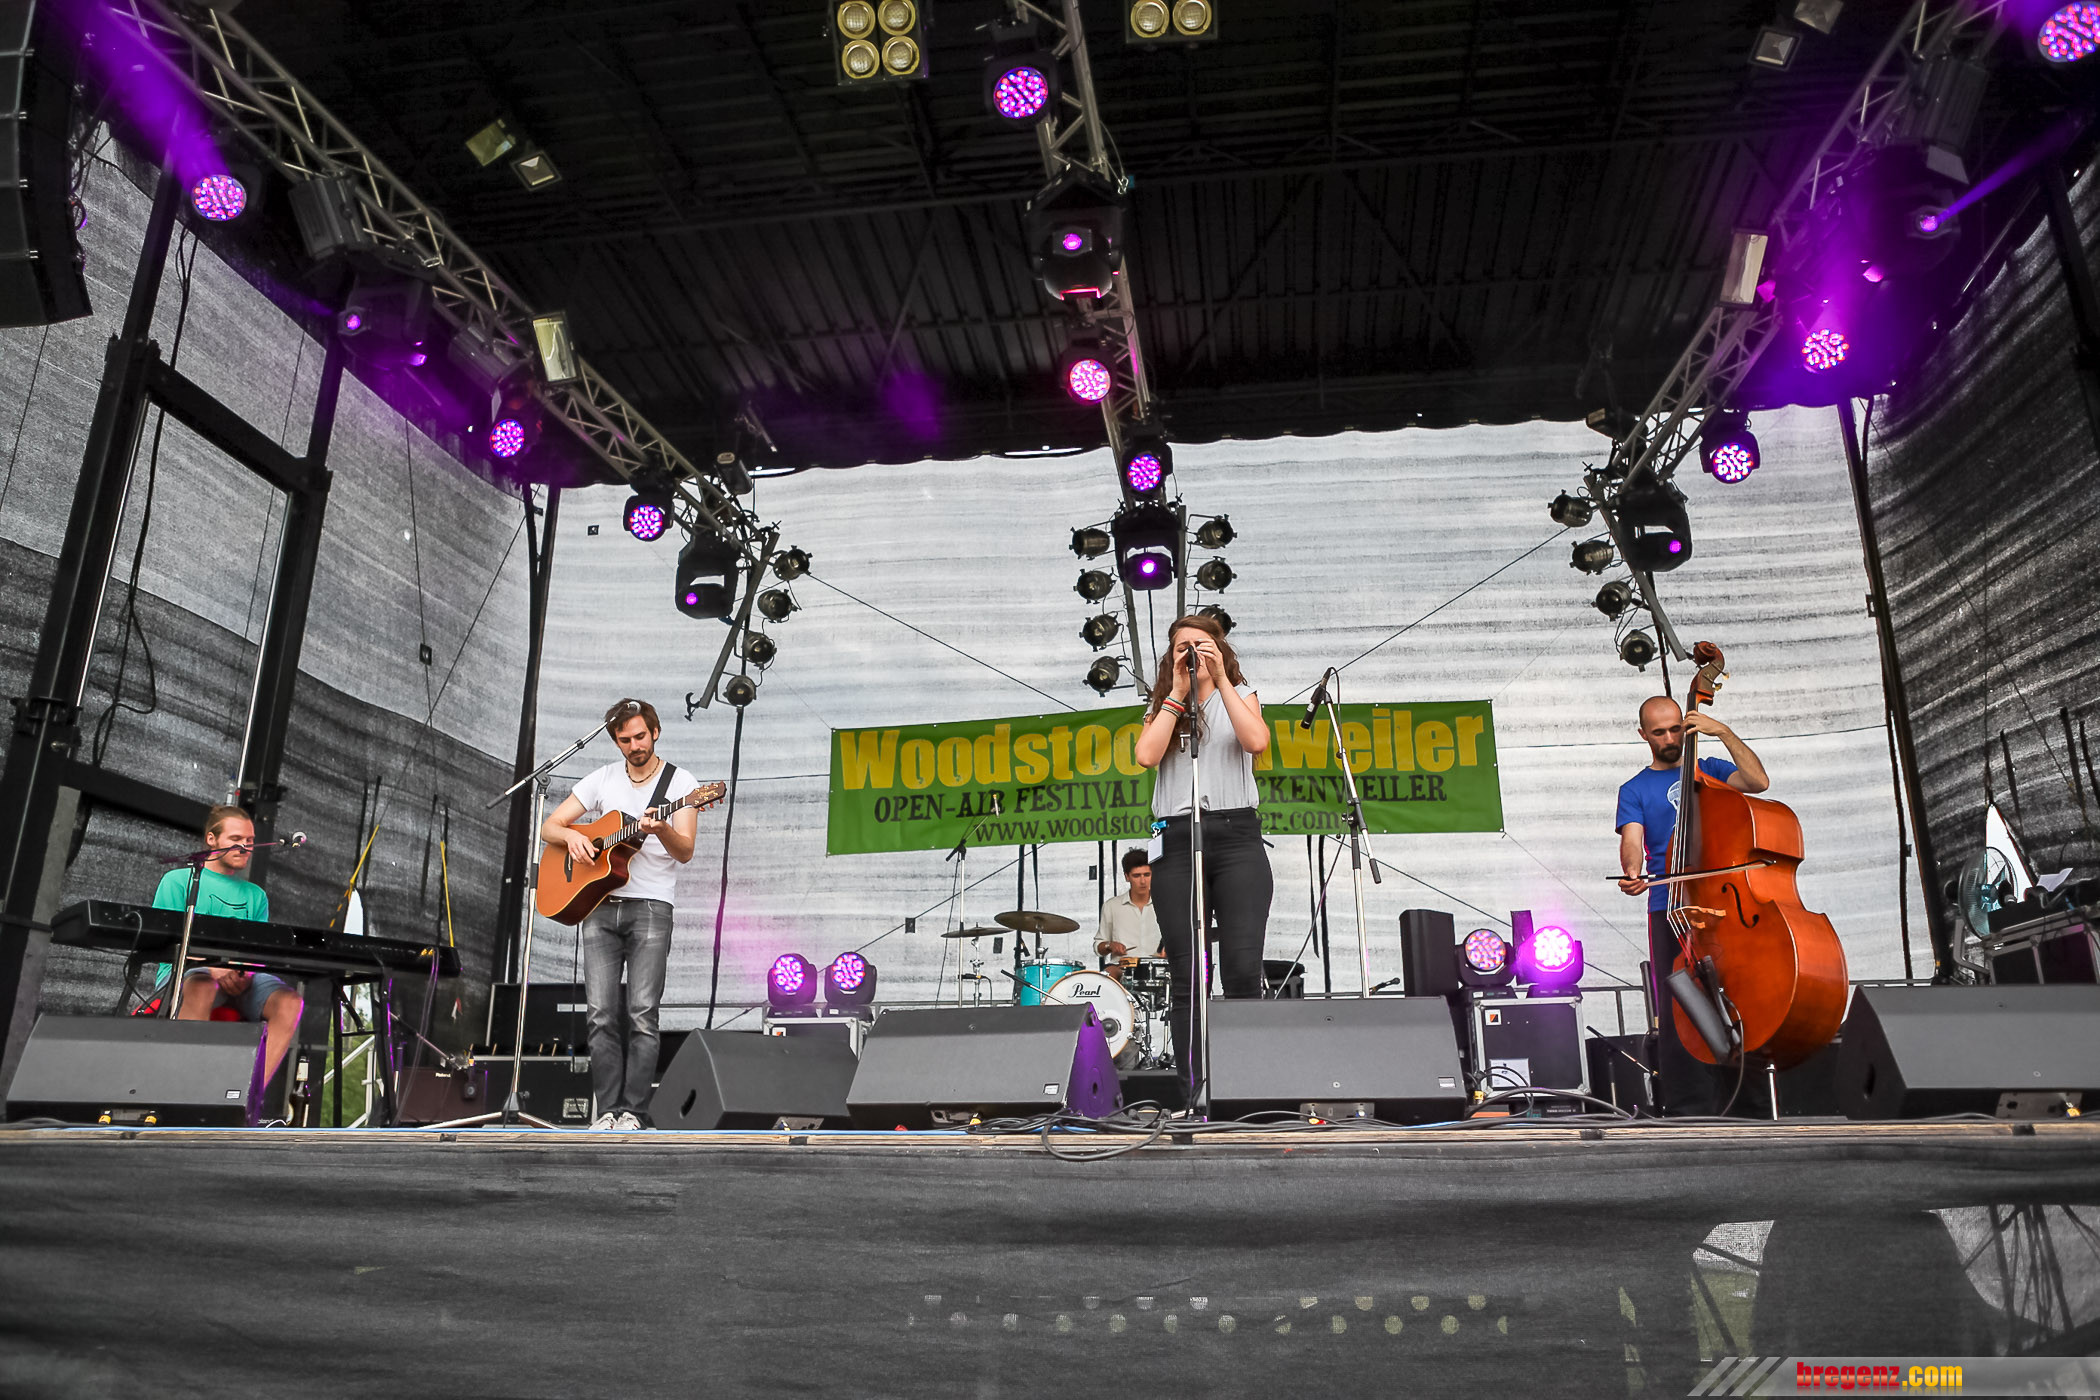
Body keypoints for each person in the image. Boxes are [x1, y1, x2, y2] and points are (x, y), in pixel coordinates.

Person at [541, 698, 700, 1131]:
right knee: (600, 1014)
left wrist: (661, 828)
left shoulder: (682, 784)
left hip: (651, 906)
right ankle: (608, 1111)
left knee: (642, 1013)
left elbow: (685, 851)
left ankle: (634, 1113)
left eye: (641, 737)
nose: (635, 746)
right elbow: (550, 826)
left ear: (656, 732)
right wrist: (573, 839)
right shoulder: (603, 778)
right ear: (615, 740)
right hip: (597, 905)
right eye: (625, 740)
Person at [1133, 613, 1273, 1089]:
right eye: (1182, 647)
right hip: (1176, 839)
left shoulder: (1242, 693)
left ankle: (1245, 1089)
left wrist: (1222, 680)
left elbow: (1256, 740)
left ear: (1219, 649)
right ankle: (1194, 1090)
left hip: (1236, 836)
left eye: (1201, 645)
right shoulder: (1161, 705)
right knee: (1188, 974)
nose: (1191, 653)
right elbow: (1146, 756)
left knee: (1242, 969)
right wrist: (1177, 693)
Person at [1615, 694, 1771, 1117]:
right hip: (1670, 903)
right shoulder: (1634, 789)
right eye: (1660, 732)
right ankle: (1690, 1106)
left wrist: (1723, 732)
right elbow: (1632, 840)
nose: (1670, 739)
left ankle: (1751, 1104)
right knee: (1679, 1005)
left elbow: (1758, 782)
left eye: (1676, 729)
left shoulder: (1711, 770)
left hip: (1725, 901)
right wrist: (1632, 871)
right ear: (1643, 735)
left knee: (1739, 997)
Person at [147, 805, 304, 1090]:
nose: (245, 847)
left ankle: (246, 1097)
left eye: (250, 840)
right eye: (236, 839)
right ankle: (180, 1091)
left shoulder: (256, 895)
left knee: (290, 1002)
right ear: (211, 839)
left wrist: (247, 973)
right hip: (187, 973)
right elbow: (164, 941)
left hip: (240, 979)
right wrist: (213, 967)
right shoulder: (178, 881)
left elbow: (257, 952)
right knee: (203, 985)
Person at [1096, 847, 1162, 967]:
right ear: (1127, 877)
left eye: (1147, 875)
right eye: (1136, 876)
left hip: (1158, 967)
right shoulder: (1112, 906)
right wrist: (1110, 945)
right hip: (1122, 967)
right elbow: (1098, 947)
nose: (1143, 881)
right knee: (1110, 972)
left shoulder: (1164, 904)